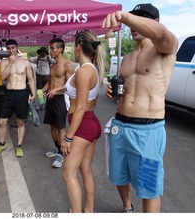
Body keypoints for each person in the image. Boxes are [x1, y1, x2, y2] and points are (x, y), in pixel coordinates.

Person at [102, 3, 178, 212]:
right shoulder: (127, 59)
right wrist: (112, 91)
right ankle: (127, 208)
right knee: (118, 175)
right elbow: (127, 87)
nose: (134, 24)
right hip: (120, 125)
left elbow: (161, 34)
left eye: (142, 18)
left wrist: (126, 16)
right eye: (134, 18)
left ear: (155, 22)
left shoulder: (165, 47)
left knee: (148, 186)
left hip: (147, 130)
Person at [61, 30, 105, 213]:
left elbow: (80, 107)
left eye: (72, 46)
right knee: (85, 169)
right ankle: (88, 210)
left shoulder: (84, 71)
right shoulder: (91, 69)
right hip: (90, 123)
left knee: (68, 173)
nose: (72, 49)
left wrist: (68, 137)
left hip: (82, 127)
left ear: (78, 47)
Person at [0, 39, 36, 157]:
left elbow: (30, 79)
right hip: (9, 93)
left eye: (13, 48)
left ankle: (19, 146)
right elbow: (2, 77)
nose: (11, 50)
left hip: (22, 93)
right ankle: (2, 144)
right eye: (9, 48)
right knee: (1, 121)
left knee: (21, 121)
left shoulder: (25, 62)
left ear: (17, 48)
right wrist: (10, 64)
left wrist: (34, 93)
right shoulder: (4, 62)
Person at [42, 38, 73, 168]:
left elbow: (71, 85)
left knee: (60, 127)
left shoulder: (67, 65)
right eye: (50, 48)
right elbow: (49, 82)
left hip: (60, 98)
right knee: (52, 126)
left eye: (53, 48)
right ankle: (57, 148)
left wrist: (56, 89)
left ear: (60, 49)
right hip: (51, 97)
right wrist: (40, 90)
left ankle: (62, 155)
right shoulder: (52, 65)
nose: (51, 51)